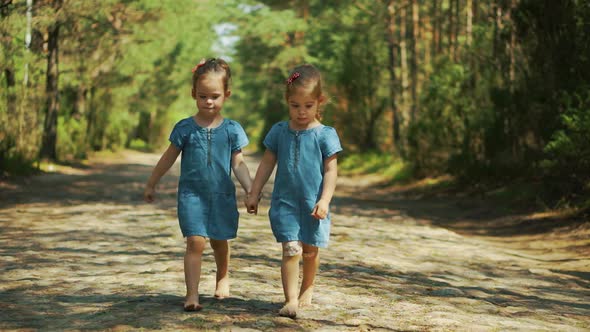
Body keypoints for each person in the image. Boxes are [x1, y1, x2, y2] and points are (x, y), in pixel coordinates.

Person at [144, 58, 253, 312]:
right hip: (191, 196)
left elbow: (238, 164)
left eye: (215, 96)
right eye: (202, 96)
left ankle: (222, 276)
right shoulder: (184, 128)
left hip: (222, 195)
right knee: (195, 241)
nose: (208, 102)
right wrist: (152, 183)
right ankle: (192, 293)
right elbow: (168, 158)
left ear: (226, 94)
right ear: (194, 94)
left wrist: (251, 189)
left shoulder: (232, 130)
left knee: (219, 240)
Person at [245, 64, 342, 318]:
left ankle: (307, 288)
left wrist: (325, 200)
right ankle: (290, 300)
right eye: (295, 105)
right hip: (285, 202)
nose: (301, 112)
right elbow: (267, 163)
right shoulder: (279, 132)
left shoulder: (325, 135)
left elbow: (331, 171)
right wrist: (254, 191)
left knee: (310, 251)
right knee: (291, 248)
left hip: (313, 204)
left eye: (308, 106)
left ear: (319, 101)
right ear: (287, 102)